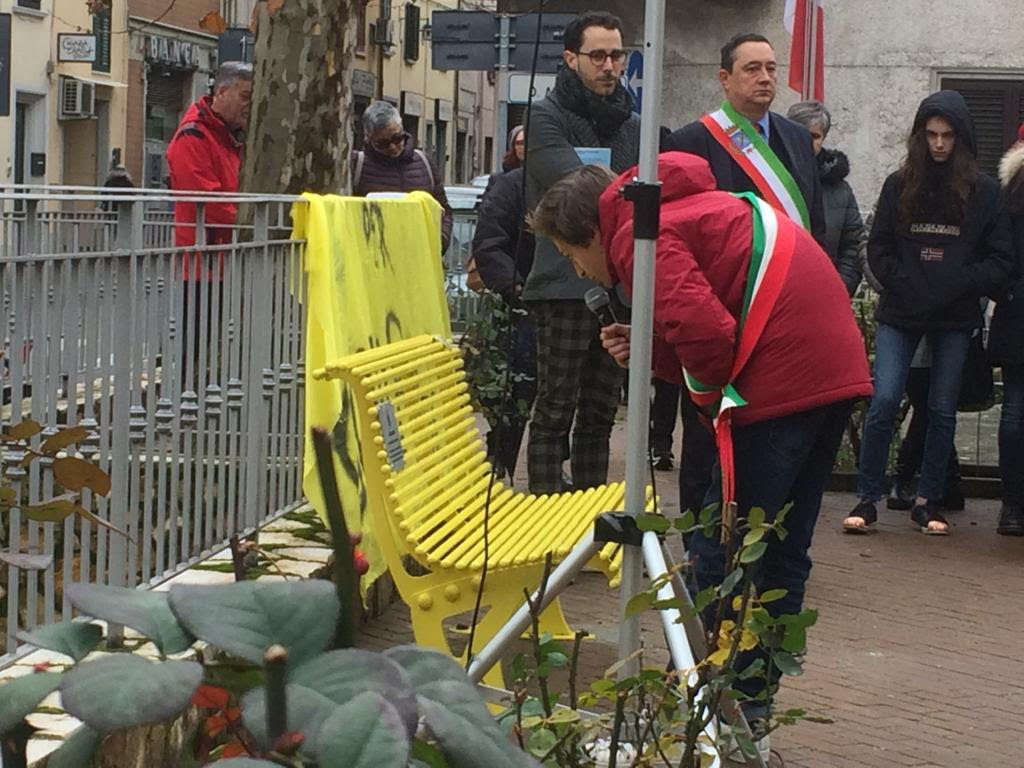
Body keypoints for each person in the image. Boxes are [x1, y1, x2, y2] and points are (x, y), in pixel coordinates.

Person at [529, 152, 872, 740]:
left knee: (725, 543)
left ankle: (700, 699)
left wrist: (711, 404)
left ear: (590, 233)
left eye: (570, 256)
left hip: (779, 382)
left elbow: (709, 337)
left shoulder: (640, 238)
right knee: (782, 546)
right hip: (828, 371)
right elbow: (710, 318)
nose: (580, 272)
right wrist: (652, 349)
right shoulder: (687, 211)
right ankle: (751, 700)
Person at [662, 34, 826, 517]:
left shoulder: (797, 140)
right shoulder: (693, 141)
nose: (766, 78)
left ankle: (765, 531)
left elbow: (814, 224)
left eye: (771, 68)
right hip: (722, 313)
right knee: (706, 433)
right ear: (725, 78)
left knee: (776, 431)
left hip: (785, 313)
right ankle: (701, 532)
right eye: (752, 69)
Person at [843, 91, 1013, 536]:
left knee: (941, 408)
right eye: (932, 135)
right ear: (920, 137)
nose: (939, 144)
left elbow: (1000, 259)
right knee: (884, 400)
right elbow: (878, 246)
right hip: (902, 311)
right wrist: (905, 282)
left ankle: (928, 500)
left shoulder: (985, 192)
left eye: (947, 136)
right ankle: (867, 496)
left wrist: (958, 283)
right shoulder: (898, 185)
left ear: (961, 138)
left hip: (954, 315)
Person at [521, 11, 640, 494]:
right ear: (571, 59)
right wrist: (627, 189)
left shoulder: (633, 124)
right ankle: (546, 514)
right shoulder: (544, 117)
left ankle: (592, 517)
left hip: (619, 285)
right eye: (598, 56)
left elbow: (643, 194)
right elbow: (580, 194)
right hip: (563, 285)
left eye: (617, 55)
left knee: (600, 414)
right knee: (555, 409)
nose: (609, 66)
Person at [471, 125, 537, 479]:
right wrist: (514, 287)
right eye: (521, 142)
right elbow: (489, 243)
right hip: (518, 301)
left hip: (558, 297)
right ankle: (501, 458)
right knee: (515, 386)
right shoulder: (508, 185)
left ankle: (547, 466)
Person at [167, 62, 253, 250]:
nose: (250, 105)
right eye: (245, 97)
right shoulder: (193, 137)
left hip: (223, 252)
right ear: (221, 92)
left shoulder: (228, 136)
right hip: (206, 255)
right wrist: (252, 223)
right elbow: (208, 202)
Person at [352, 101, 453, 253]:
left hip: (421, 255)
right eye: (383, 143)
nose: (392, 147)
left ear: (402, 129)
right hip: (372, 257)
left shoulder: (424, 162)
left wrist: (441, 240)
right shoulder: (357, 165)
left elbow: (444, 210)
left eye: (397, 138)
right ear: (369, 139)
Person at [785, 100, 863, 295]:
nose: (807, 142)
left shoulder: (841, 191)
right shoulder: (768, 178)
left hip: (825, 294)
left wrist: (838, 289)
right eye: (800, 133)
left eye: (814, 136)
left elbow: (852, 246)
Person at [990, 125, 1024, 536]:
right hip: (1018, 314)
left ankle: (1012, 505)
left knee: (1015, 410)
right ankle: (1014, 503)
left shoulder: (1008, 193)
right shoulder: (1010, 196)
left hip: (1016, 313)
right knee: (1015, 411)